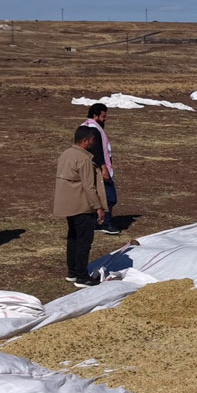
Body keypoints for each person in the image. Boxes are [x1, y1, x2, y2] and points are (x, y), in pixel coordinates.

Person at [54, 125, 108, 287]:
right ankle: (82, 276)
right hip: (82, 205)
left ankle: (72, 272)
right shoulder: (84, 159)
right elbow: (88, 186)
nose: (93, 144)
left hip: (68, 204)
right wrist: (98, 206)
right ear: (85, 140)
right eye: (92, 140)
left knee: (73, 238)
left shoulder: (66, 154)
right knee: (84, 240)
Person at [82, 103, 120, 235]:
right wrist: (103, 167)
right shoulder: (94, 129)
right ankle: (105, 223)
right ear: (95, 115)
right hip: (98, 167)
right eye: (103, 116)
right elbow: (96, 150)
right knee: (109, 197)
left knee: (97, 196)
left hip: (91, 167)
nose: (105, 119)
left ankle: (95, 222)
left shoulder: (86, 127)